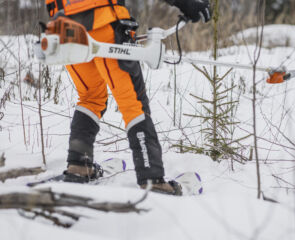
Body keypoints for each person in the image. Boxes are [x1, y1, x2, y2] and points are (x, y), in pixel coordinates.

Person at [44, 0, 212, 195]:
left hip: (64, 28)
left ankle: (79, 166)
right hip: (103, 20)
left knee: (91, 97)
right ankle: (152, 179)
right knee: (133, 103)